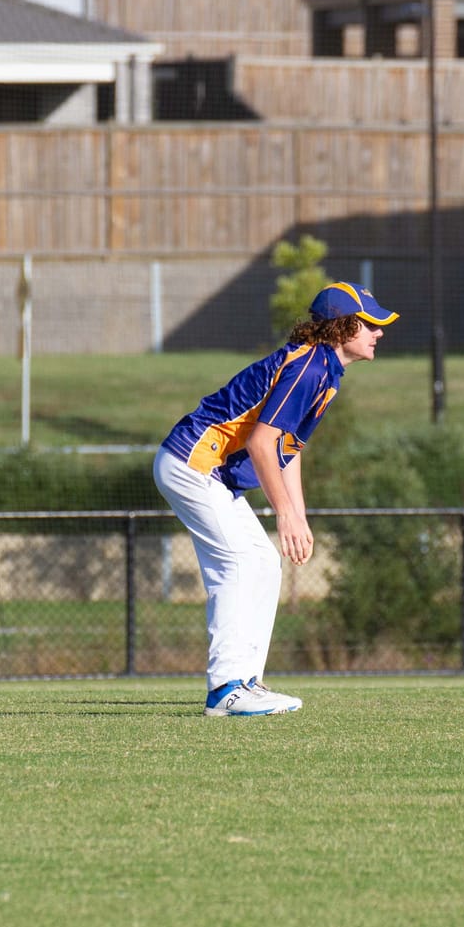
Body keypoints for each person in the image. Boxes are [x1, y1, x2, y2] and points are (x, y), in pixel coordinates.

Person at [154, 281, 397, 717]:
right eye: (369, 324)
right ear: (342, 328)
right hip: (193, 462)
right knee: (238, 563)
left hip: (207, 473)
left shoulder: (325, 371)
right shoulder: (309, 368)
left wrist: (299, 517)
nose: (378, 332)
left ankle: (245, 682)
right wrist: (284, 514)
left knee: (263, 563)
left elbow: (287, 450)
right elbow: (263, 444)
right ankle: (227, 690)